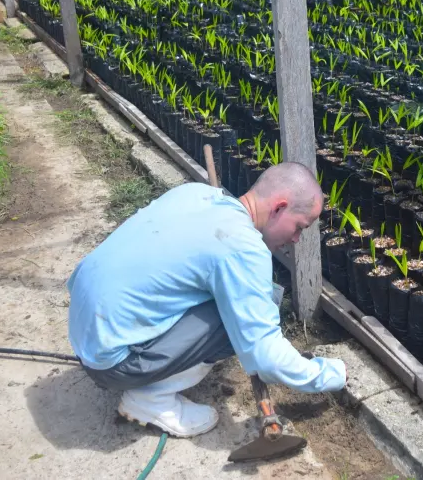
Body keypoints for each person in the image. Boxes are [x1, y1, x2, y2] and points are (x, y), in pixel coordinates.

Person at [66, 162, 347, 438]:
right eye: (300, 226)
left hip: (84, 327)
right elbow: (267, 358)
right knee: (239, 319)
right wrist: (332, 374)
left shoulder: (195, 194)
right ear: (278, 207)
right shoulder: (242, 247)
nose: (297, 239)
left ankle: (149, 368)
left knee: (235, 302)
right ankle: (151, 398)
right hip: (110, 362)